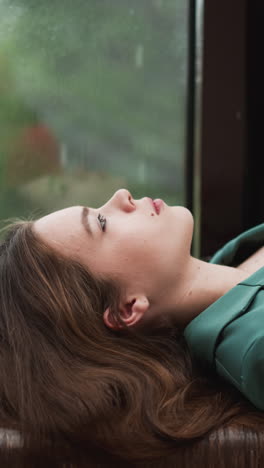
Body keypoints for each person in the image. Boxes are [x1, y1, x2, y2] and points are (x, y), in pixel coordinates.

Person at [0, 188, 264, 466]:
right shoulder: (256, 345)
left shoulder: (235, 259)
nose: (120, 195)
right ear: (125, 309)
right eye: (101, 223)